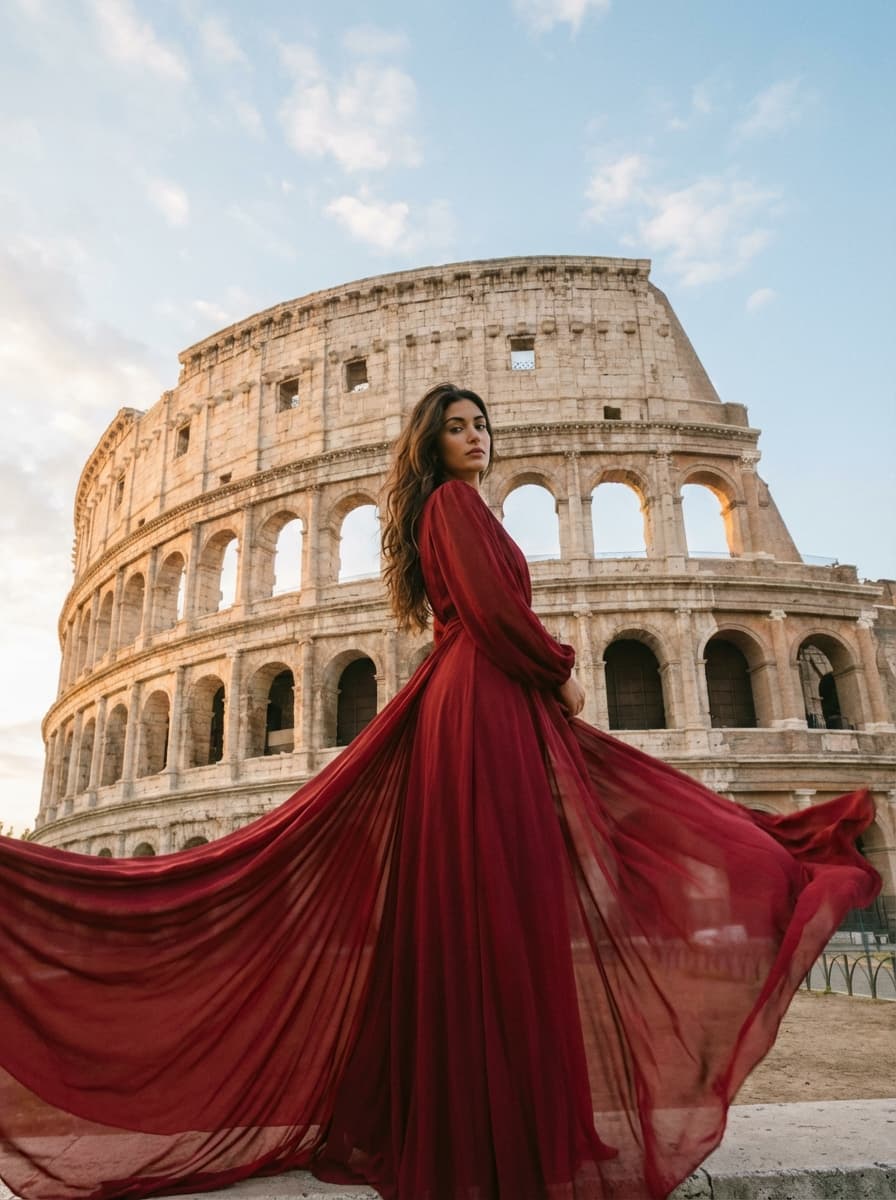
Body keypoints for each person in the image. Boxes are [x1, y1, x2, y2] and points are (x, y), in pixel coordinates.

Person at [0, 384, 880, 1200]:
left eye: (482, 425)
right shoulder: (452, 504)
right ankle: (510, 1134)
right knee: (512, 902)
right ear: (431, 444)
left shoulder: (449, 507)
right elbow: (498, 610)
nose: (476, 439)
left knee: (497, 906)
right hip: (491, 693)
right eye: (457, 427)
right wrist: (563, 675)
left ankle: (504, 1127)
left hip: (481, 696)